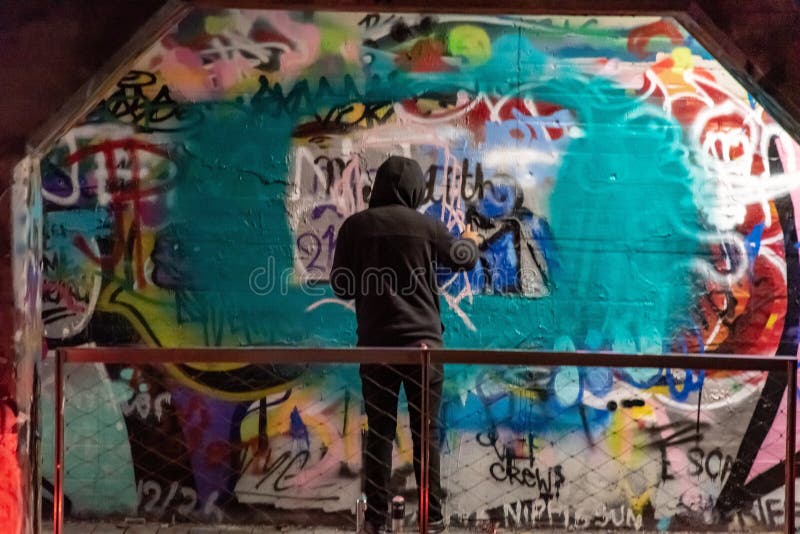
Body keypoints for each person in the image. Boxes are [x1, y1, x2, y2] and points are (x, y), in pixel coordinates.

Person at [331, 155, 480, 533]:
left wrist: (371, 280)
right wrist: (472, 240)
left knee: (379, 432)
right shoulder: (426, 226)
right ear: (415, 189)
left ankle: (376, 521)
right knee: (425, 433)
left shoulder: (354, 227)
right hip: (424, 349)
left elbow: (341, 285)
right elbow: (463, 258)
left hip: (377, 348)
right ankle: (432, 518)